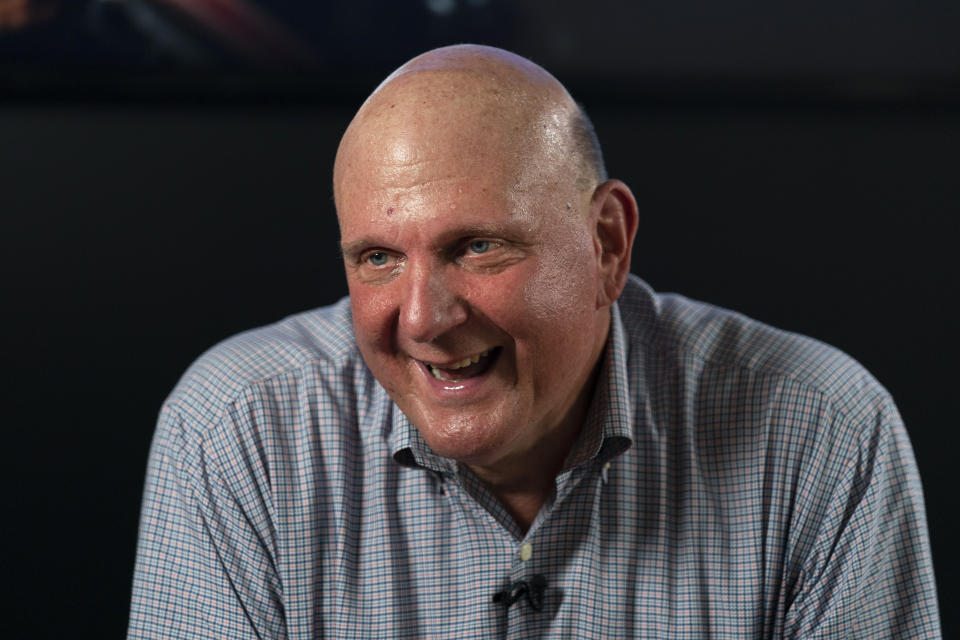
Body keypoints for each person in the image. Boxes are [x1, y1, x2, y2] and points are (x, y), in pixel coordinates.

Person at [128, 45, 940, 638]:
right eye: (378, 258)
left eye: (477, 247)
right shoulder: (237, 430)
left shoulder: (822, 432)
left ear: (607, 245)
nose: (421, 319)